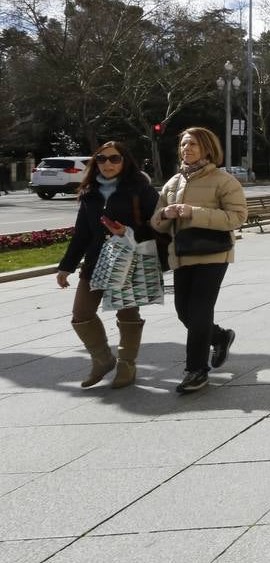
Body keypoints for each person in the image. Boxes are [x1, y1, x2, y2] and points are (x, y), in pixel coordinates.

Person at [151, 127, 247, 394]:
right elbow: (156, 222)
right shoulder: (172, 183)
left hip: (214, 254)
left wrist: (193, 212)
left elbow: (237, 217)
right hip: (182, 255)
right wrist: (165, 215)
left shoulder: (223, 180)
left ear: (207, 148)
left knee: (200, 310)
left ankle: (196, 370)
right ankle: (220, 336)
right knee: (184, 311)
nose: (187, 149)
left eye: (193, 144)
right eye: (183, 144)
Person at [56, 141, 158, 389]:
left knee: (127, 314)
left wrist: (127, 230)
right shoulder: (90, 192)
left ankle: (127, 365)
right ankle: (102, 360)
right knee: (81, 315)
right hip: (95, 261)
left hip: (129, 260)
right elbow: (82, 233)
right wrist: (66, 266)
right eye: (101, 159)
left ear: (125, 161)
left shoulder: (140, 189)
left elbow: (158, 225)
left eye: (114, 159)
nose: (108, 164)